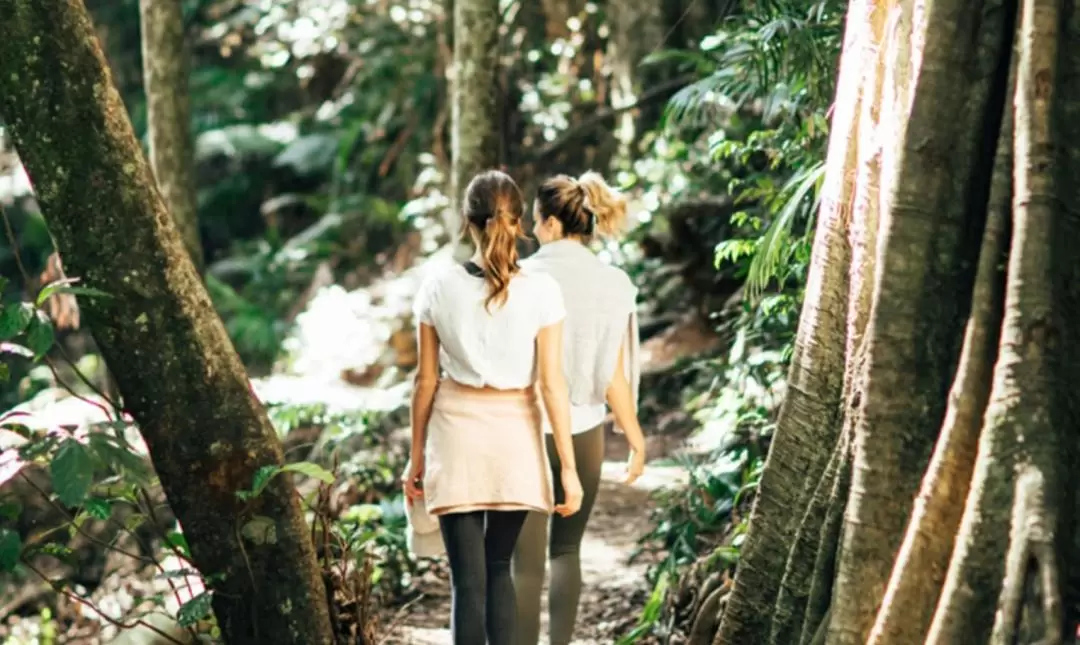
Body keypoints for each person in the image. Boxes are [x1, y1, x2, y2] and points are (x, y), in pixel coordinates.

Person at [402, 169, 584, 645]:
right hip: (516, 441)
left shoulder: (438, 286)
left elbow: (425, 382)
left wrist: (415, 456)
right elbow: (551, 385)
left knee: (468, 582)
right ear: (519, 221)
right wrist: (568, 467)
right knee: (499, 567)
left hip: (455, 439)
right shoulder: (543, 291)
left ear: (469, 221)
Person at [512, 171, 648, 645]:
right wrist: (635, 437)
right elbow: (613, 376)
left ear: (549, 223)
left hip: (524, 430)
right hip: (586, 430)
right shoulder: (612, 282)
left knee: (523, 565)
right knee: (566, 551)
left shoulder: (521, 277)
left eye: (535, 221)